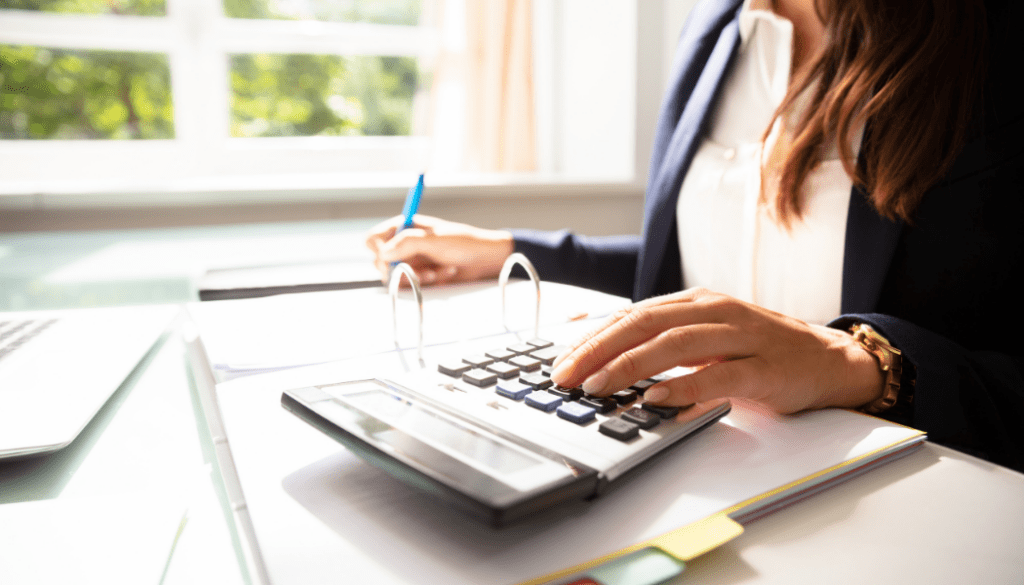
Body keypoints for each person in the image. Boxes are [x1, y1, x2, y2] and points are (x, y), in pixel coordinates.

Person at [366, 0, 1024, 471]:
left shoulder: (991, 38)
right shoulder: (714, 27)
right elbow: (696, 281)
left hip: (904, 494)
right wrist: (511, 249)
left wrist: (866, 364)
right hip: (702, 469)